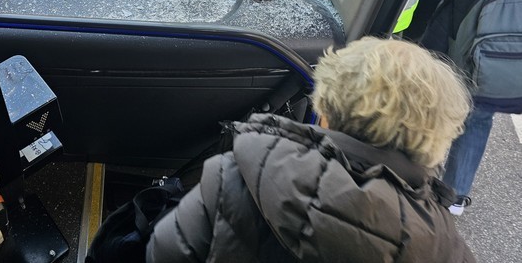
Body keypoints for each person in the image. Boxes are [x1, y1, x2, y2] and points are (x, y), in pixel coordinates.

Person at [146, 37, 475, 263]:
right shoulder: (443, 245)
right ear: (437, 138)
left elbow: (164, 251)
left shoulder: (236, 174)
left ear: (326, 110)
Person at [420, 0, 522, 215]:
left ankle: (409, 170)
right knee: (478, 115)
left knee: (426, 98)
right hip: (502, 57)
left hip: (454, 37)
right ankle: (455, 196)